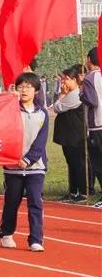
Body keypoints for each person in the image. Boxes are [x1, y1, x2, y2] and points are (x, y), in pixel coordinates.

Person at [0, 72, 49, 251]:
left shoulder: (42, 113)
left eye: (28, 86)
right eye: (21, 86)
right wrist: (8, 100)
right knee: (12, 202)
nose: (24, 89)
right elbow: (4, 132)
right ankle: (6, 233)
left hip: (36, 167)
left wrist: (28, 159)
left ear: (36, 90)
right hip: (13, 167)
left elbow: (41, 141)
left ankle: (36, 239)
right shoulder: (10, 111)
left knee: (35, 201)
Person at [53, 65, 86, 202]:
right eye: (62, 79)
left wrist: (62, 95)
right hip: (69, 136)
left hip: (74, 136)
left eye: (66, 79)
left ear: (75, 80)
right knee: (72, 163)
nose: (63, 82)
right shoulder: (71, 94)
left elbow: (57, 107)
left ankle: (81, 192)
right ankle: (73, 191)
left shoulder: (75, 95)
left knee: (77, 163)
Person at [80, 47, 102, 204]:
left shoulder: (89, 78)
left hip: (96, 125)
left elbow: (92, 101)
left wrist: (82, 93)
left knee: (97, 163)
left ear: (89, 59)